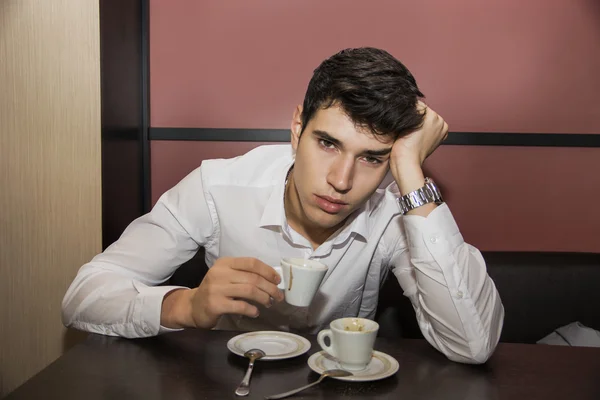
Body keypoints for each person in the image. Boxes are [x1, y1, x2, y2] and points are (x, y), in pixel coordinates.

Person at [62, 47, 504, 364]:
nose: (342, 181)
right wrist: (186, 306)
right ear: (296, 128)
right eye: (328, 143)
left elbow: (473, 344)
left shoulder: (393, 210)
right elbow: (84, 295)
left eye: (372, 158)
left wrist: (410, 171)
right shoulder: (218, 186)